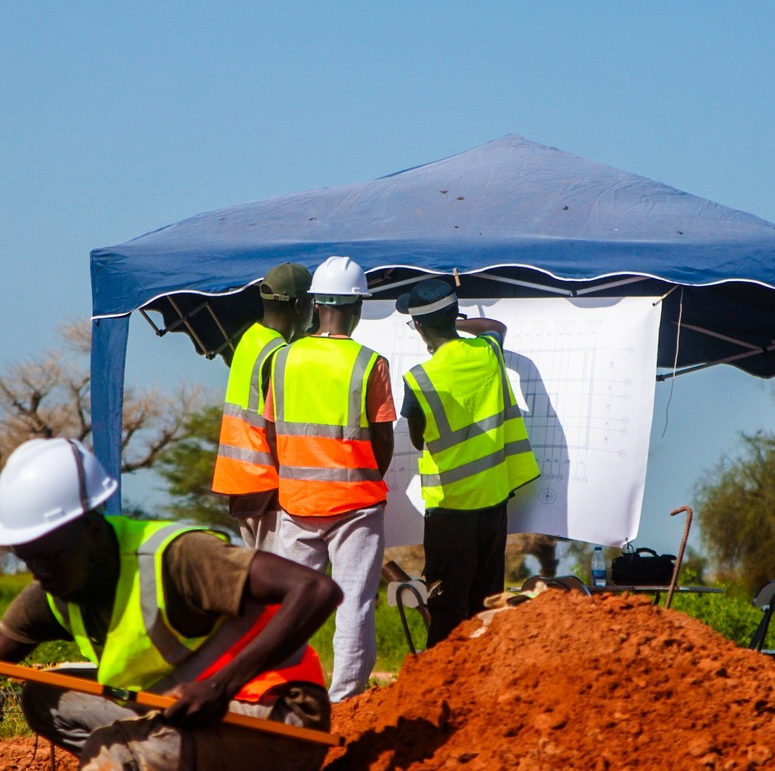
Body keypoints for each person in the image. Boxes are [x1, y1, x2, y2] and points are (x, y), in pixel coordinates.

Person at [0, 437, 342, 771]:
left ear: (93, 530)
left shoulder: (175, 557)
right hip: (185, 716)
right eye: (28, 559)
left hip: (278, 718)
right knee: (45, 697)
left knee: (114, 757)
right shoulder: (54, 586)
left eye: (52, 556)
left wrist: (218, 687)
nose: (40, 572)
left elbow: (317, 590)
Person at [263, 255, 395, 702]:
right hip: (356, 503)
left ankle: (284, 690)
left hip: (296, 501)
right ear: (357, 308)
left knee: (291, 604)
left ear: (316, 305)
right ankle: (346, 699)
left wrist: (292, 476)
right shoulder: (369, 363)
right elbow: (383, 437)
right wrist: (367, 476)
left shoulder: (283, 359)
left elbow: (271, 429)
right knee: (353, 601)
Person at [396, 278, 540, 648]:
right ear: (453, 315)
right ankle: (483, 676)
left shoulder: (420, 379)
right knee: (485, 605)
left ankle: (441, 679)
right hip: (493, 502)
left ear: (419, 326)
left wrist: (443, 323)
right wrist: (454, 322)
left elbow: (418, 439)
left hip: (450, 509)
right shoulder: (487, 351)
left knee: (446, 608)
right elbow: (495, 326)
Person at [212, 262, 314, 552]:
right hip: (267, 481)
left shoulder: (249, 339)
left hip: (240, 482)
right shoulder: (278, 354)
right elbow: (278, 428)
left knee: (257, 570)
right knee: (278, 572)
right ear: (299, 305)